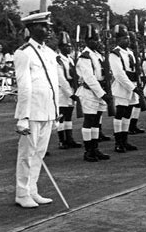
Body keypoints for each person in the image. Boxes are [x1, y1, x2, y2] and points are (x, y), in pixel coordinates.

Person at [14, 12, 59, 208]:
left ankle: (32, 189)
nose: (48, 29)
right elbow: (24, 86)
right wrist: (22, 117)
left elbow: (53, 85)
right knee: (26, 155)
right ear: (32, 28)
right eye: (43, 26)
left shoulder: (49, 53)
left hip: (47, 110)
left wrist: (56, 112)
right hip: (31, 111)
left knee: (39, 153)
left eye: (48, 26)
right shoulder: (23, 53)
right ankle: (22, 193)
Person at [75, 24, 111, 162]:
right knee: (89, 121)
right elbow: (89, 78)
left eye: (98, 39)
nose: (97, 42)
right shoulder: (85, 56)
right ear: (87, 41)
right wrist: (103, 94)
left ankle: (95, 148)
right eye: (94, 39)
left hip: (100, 90)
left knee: (96, 121)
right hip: (90, 92)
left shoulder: (98, 55)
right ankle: (88, 151)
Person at [109, 24, 140, 153]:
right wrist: (132, 87)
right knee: (120, 114)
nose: (127, 40)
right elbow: (119, 74)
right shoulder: (115, 54)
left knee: (128, 115)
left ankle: (125, 140)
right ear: (117, 40)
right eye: (123, 38)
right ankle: (118, 142)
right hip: (122, 88)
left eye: (127, 38)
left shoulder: (130, 52)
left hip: (132, 86)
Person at [56, 31, 82, 149]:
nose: (69, 48)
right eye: (66, 46)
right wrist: (71, 94)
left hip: (72, 89)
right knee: (61, 117)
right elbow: (61, 80)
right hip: (62, 92)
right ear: (61, 47)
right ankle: (62, 140)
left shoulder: (70, 59)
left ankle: (69, 139)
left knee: (68, 116)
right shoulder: (58, 60)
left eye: (70, 46)